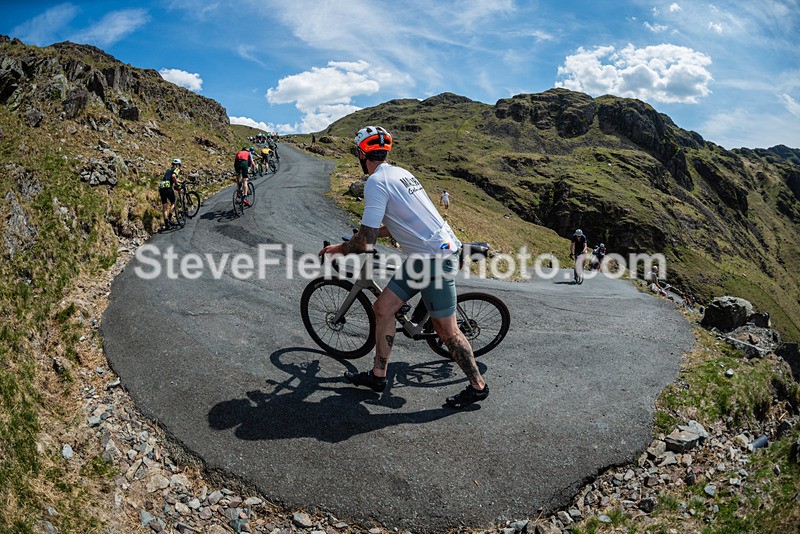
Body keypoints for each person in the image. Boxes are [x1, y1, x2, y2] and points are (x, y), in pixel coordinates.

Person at [319, 126, 488, 408]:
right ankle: (378, 375)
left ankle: (478, 386)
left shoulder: (376, 182)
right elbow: (397, 223)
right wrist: (360, 237)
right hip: (425, 256)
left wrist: (339, 248)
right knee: (383, 308)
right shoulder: (401, 173)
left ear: (361, 153)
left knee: (447, 332)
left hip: (434, 259)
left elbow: (366, 243)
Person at [159, 158, 182, 228]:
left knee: (164, 205)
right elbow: (173, 176)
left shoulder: (168, 170)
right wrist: (177, 185)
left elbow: (171, 178)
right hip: (168, 187)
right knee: (173, 202)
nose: (179, 167)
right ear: (178, 165)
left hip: (161, 187)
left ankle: (166, 223)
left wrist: (179, 181)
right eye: (179, 165)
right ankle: (169, 217)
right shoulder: (176, 169)